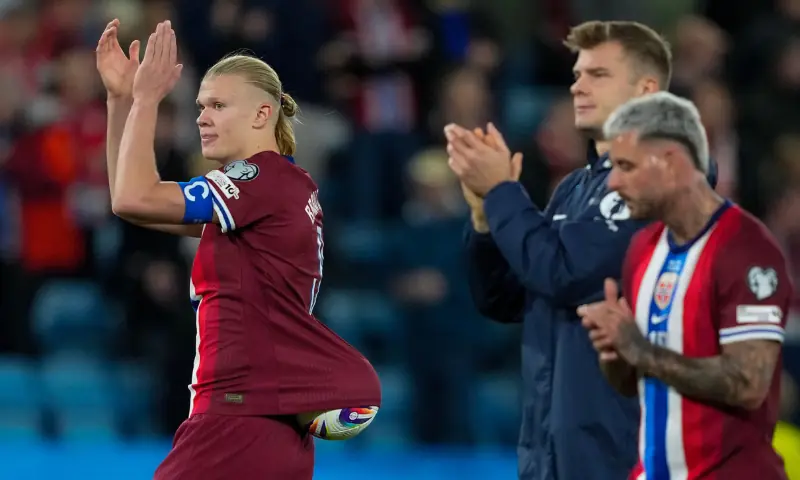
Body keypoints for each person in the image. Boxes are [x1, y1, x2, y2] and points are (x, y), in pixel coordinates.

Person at [96, 19, 381, 479]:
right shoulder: (275, 192)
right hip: (269, 430)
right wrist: (121, 100)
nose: (201, 118)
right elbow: (128, 203)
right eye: (200, 106)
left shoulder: (260, 180)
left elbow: (135, 196)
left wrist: (146, 98)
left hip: (237, 420)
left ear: (261, 115)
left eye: (218, 105)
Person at [445, 21, 710, 480]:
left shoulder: (661, 180)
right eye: (577, 73)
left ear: (646, 91)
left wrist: (504, 192)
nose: (577, 85)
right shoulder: (575, 187)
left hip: (622, 454)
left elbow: (566, 272)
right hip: (551, 452)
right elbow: (505, 298)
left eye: (598, 74)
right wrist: (486, 220)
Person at [579, 91, 791, 479]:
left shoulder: (745, 249)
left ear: (671, 163)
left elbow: (748, 383)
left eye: (626, 166)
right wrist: (614, 352)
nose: (612, 183)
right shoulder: (642, 249)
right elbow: (634, 382)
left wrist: (638, 348)